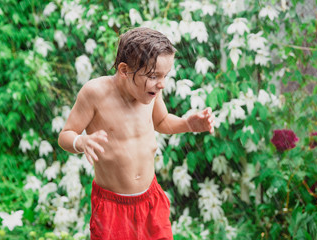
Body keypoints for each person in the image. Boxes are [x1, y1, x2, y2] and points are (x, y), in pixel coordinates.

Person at [58, 27, 215, 240]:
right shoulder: (95, 93)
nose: (161, 84)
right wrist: (80, 141)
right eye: (153, 76)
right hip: (113, 206)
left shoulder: (150, 92)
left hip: (150, 200)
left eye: (165, 76)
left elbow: (161, 121)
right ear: (124, 70)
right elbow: (65, 135)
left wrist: (187, 123)